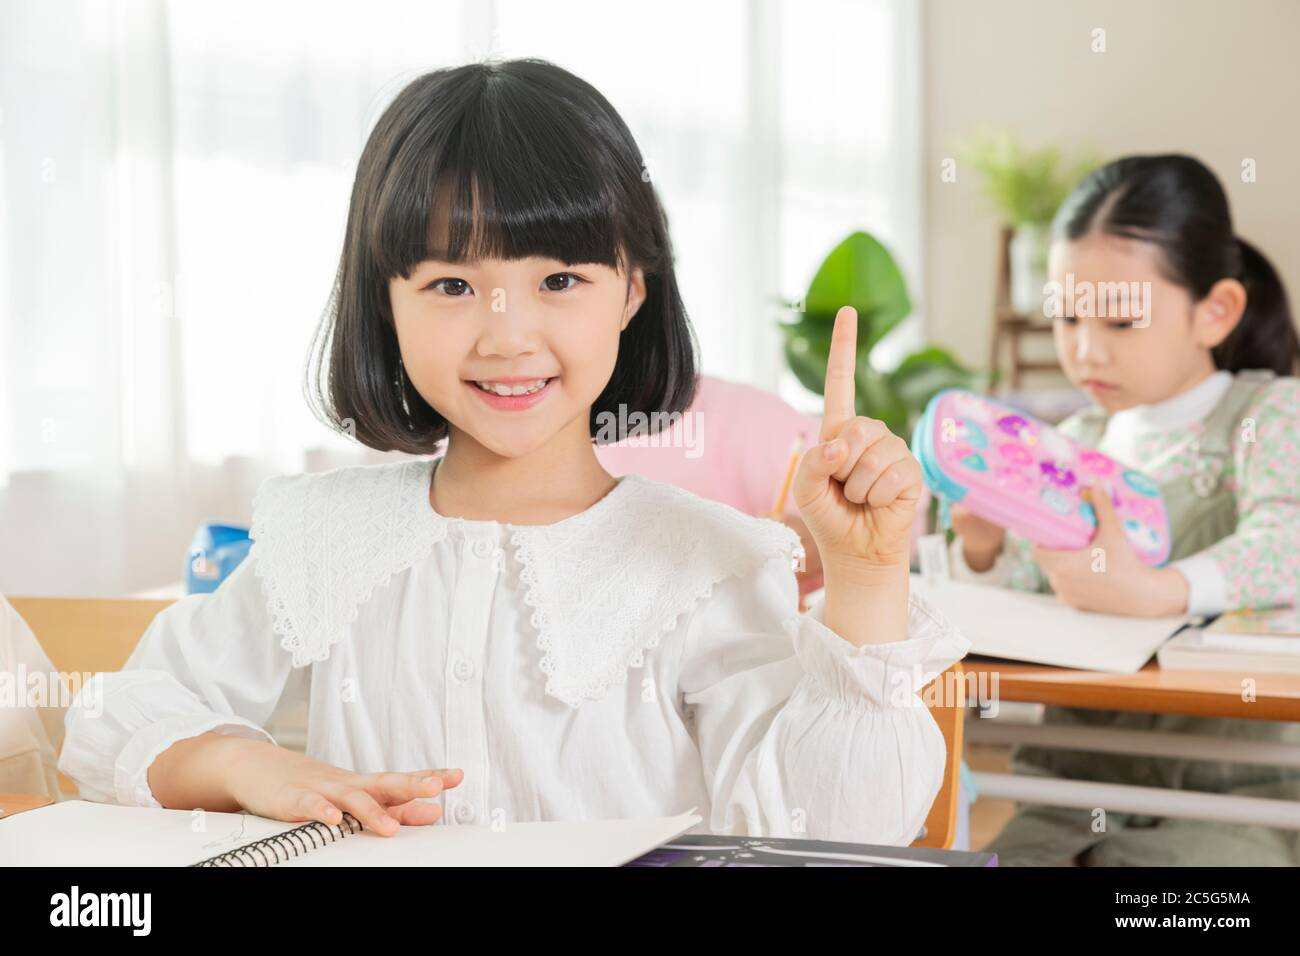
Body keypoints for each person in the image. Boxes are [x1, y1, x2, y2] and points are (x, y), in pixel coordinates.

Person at [60, 59, 967, 844]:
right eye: (453, 283)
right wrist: (247, 768)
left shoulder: (710, 562)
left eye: (560, 280)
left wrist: (869, 582)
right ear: (386, 302)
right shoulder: (321, 534)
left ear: (632, 291)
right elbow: (120, 715)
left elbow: (845, 825)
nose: (507, 337)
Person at [950, 154, 1300, 865]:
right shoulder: (1067, 444)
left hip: (1232, 801)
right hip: (1071, 784)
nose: (1084, 350)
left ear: (1216, 311)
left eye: (1118, 322)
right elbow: (1026, 601)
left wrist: (1154, 592)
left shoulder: (1269, 414)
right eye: (1068, 316)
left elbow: (1287, 543)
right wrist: (983, 549)